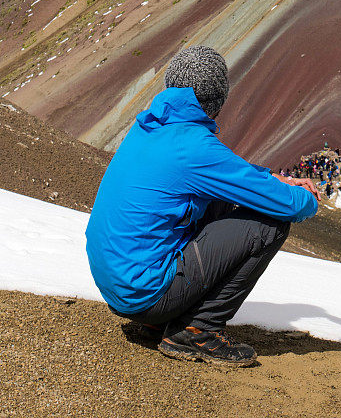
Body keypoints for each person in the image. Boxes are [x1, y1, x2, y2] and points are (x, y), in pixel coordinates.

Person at [85, 45, 320, 368]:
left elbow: (234, 176)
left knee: (219, 195)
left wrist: (274, 179)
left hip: (118, 283)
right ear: (216, 100)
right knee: (270, 225)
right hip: (143, 292)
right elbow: (289, 206)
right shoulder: (194, 147)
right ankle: (197, 331)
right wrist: (308, 196)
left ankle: (160, 321)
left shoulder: (149, 127)